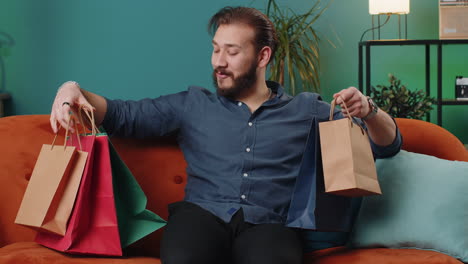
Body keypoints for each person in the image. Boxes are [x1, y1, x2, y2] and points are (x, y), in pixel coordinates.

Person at [50, 6, 401, 264]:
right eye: (216, 49)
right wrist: (71, 89)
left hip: (269, 225)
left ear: (263, 56)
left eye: (232, 52)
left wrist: (369, 110)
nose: (219, 61)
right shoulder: (191, 104)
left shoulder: (307, 110)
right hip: (200, 217)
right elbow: (122, 114)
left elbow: (387, 146)